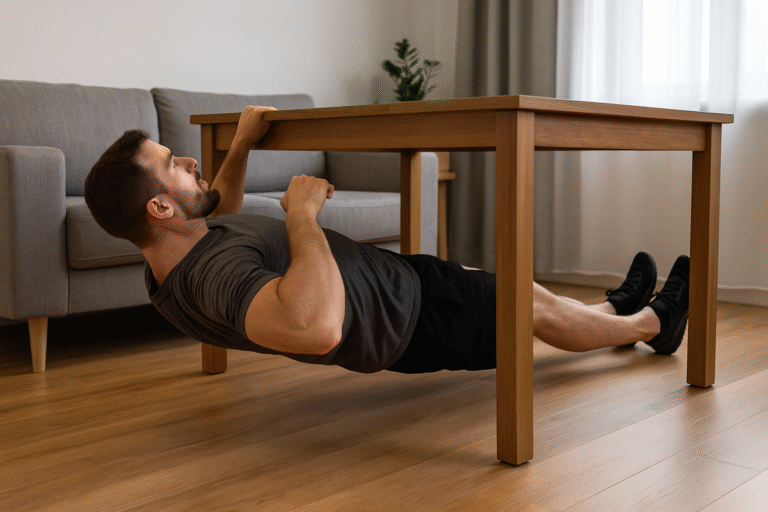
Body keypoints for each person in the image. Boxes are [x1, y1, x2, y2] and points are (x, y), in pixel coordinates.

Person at [84, 106, 690, 374]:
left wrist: (241, 143)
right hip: (412, 318)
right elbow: (316, 328)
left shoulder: (183, 255)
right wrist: (302, 216)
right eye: (172, 163)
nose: (191, 160)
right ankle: (653, 326)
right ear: (160, 207)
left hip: (398, 289)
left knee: (529, 298)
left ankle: (615, 307)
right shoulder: (213, 278)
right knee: (528, 303)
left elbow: (226, 217)